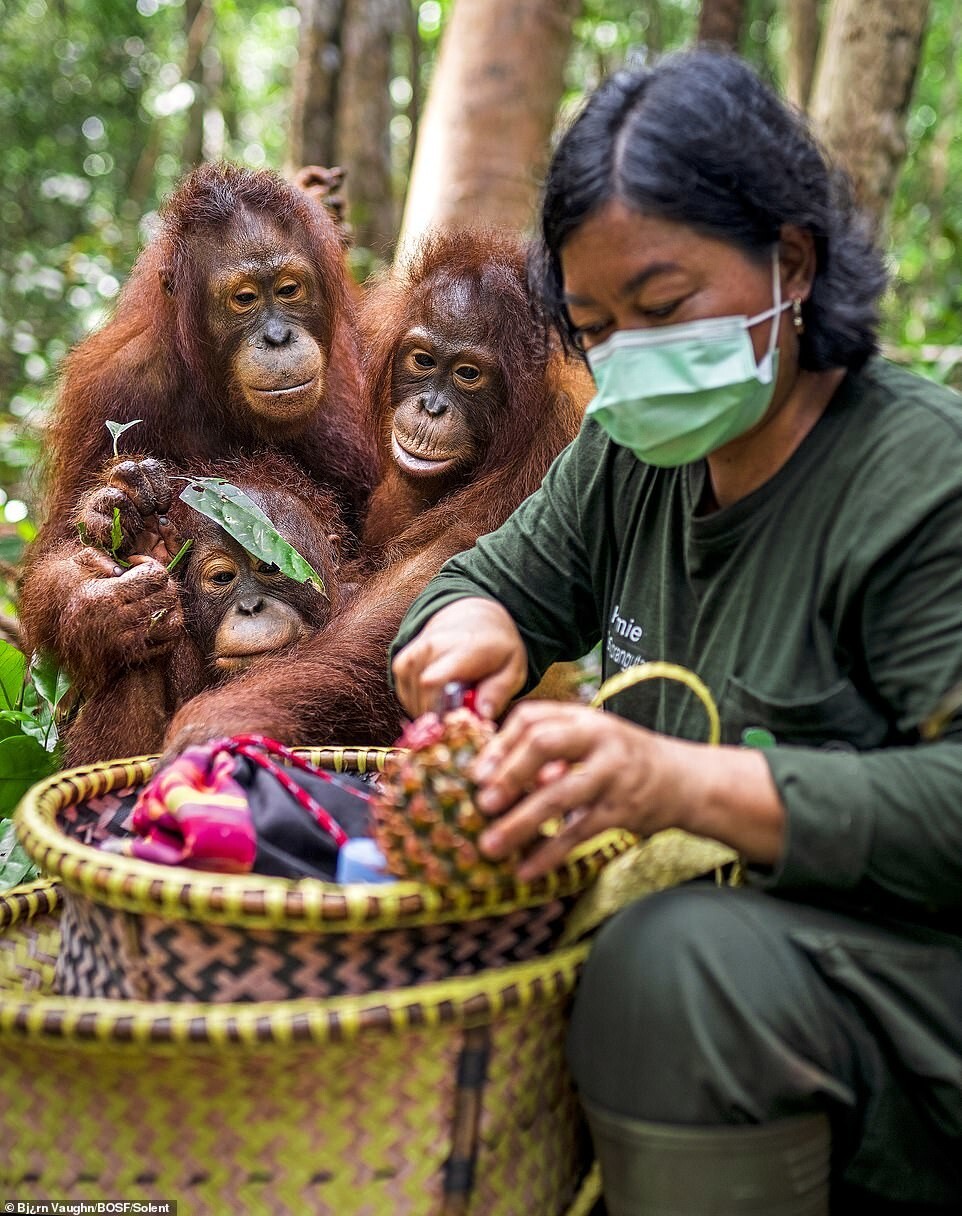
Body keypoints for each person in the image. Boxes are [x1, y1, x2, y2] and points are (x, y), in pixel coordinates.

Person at [389, 49, 962, 1216]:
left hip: (911, 990)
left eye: (663, 308)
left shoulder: (919, 478)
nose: (631, 355)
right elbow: (477, 587)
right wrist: (462, 629)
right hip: (740, 987)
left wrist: (673, 779)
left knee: (671, 959)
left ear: (787, 265)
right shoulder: (630, 454)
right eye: (595, 324)